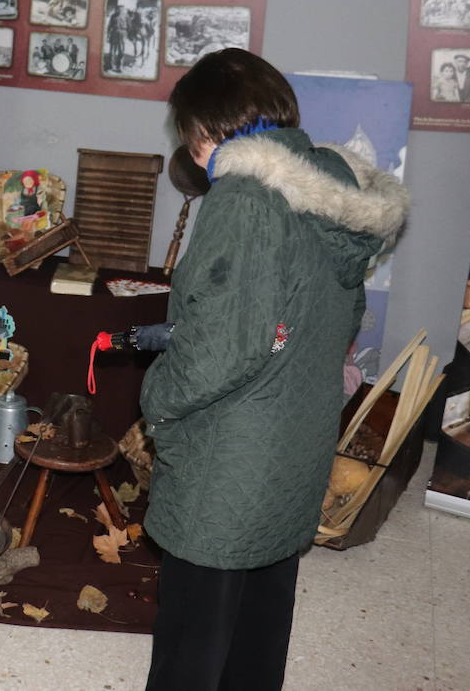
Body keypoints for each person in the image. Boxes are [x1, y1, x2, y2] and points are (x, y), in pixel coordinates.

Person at [138, 48, 408, 690]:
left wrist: (157, 396)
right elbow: (339, 325)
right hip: (296, 435)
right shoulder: (333, 191)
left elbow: (222, 348)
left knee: (195, 629)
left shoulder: (244, 197)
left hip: (230, 450)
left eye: (190, 136)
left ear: (206, 132)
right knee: (260, 615)